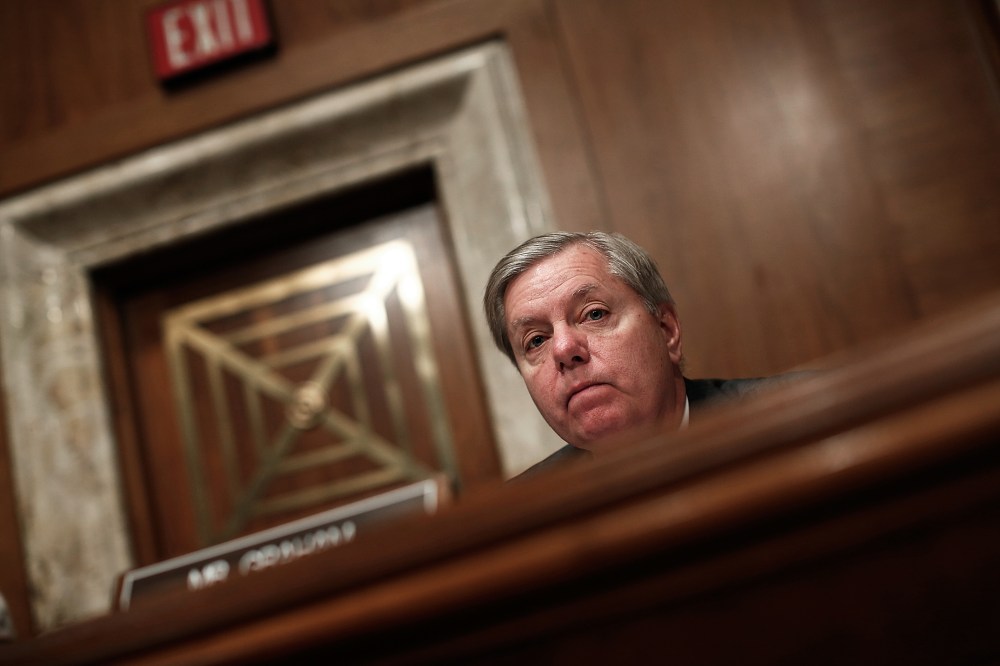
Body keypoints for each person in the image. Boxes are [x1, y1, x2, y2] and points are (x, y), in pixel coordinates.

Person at [483, 231, 796, 478]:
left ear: (667, 330)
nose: (563, 350)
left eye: (594, 314)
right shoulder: (526, 517)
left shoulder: (798, 421)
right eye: (536, 340)